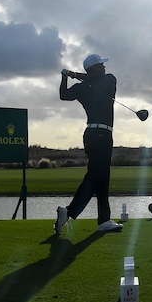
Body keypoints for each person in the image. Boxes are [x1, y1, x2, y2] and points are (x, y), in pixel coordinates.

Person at [55, 53, 123, 235]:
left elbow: (64, 94)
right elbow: (63, 96)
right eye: (101, 64)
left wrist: (69, 76)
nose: (104, 67)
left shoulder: (90, 85)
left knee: (103, 176)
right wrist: (68, 75)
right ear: (94, 68)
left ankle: (104, 220)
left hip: (92, 134)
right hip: (101, 135)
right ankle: (67, 212)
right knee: (94, 176)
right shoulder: (105, 81)